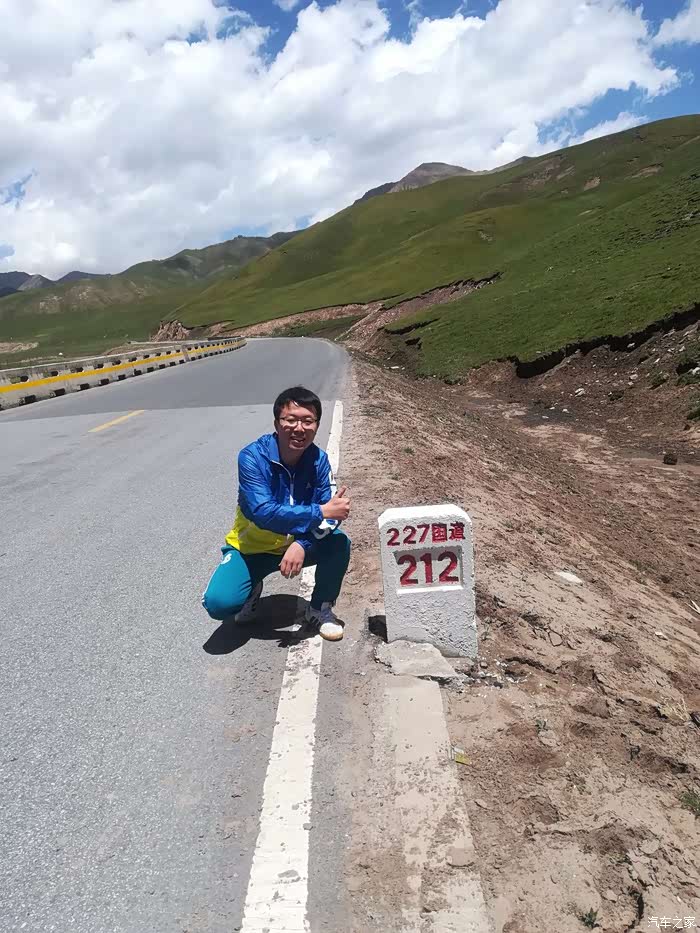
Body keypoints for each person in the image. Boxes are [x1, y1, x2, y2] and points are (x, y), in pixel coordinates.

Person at [202, 386, 351, 641]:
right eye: (290, 420)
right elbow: (263, 512)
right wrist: (321, 511)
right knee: (219, 604)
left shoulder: (319, 461)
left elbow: (333, 514)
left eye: (308, 421)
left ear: (316, 425)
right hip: (251, 550)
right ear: (276, 423)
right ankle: (250, 590)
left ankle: (319, 609)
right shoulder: (252, 457)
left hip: (295, 545)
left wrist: (303, 544)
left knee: (339, 543)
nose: (299, 428)